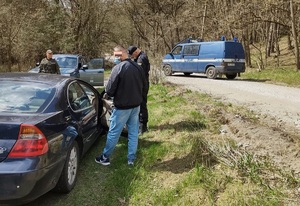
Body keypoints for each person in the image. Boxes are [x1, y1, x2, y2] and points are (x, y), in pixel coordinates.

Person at [95, 45, 146, 166]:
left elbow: (110, 90)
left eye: (116, 55)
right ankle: (131, 159)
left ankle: (105, 157)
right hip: (136, 106)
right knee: (133, 132)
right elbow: (144, 85)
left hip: (122, 107)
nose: (114, 58)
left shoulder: (118, 68)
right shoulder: (137, 67)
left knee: (114, 132)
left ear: (121, 54)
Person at [128, 46, 150, 134]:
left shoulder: (141, 58)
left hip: (142, 85)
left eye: (132, 55)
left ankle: (143, 126)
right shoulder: (139, 57)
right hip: (140, 85)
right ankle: (140, 124)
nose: (132, 57)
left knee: (142, 105)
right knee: (139, 104)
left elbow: (139, 72)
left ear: (135, 52)